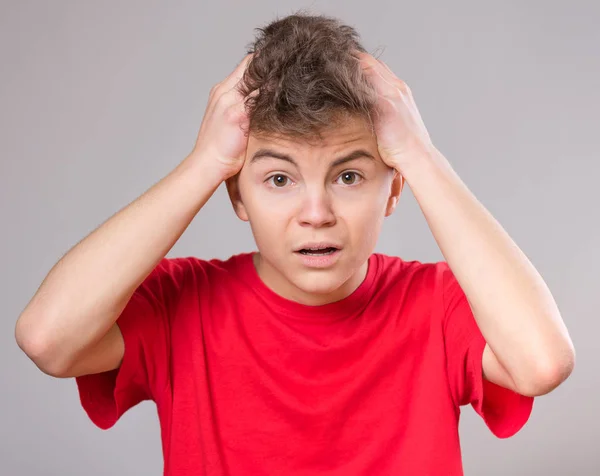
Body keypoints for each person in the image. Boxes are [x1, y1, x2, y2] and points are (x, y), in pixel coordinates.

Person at [15, 12, 575, 476]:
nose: (316, 215)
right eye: (279, 180)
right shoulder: (180, 304)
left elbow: (542, 363)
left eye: (348, 176)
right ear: (236, 195)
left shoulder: (435, 304)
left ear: (394, 188)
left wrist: (423, 156)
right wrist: (202, 165)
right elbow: (47, 338)